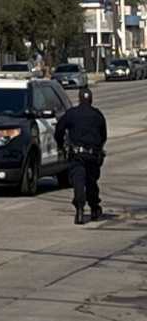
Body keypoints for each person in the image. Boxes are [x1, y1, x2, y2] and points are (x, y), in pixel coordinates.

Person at [54, 86, 107, 225]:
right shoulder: (97, 115)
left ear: (78, 99)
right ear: (91, 100)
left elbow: (59, 130)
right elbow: (104, 136)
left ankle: (79, 209)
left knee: (78, 181)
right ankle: (94, 208)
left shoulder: (71, 114)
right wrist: (99, 149)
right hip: (92, 155)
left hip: (76, 154)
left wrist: (61, 146)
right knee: (91, 182)